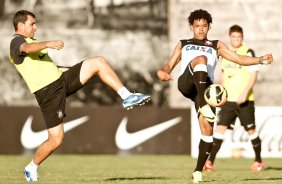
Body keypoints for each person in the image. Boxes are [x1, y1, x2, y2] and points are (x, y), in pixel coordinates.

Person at [10, 10, 150, 182]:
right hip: (48, 93)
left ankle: (126, 95)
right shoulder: (17, 42)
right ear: (21, 25)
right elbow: (25, 48)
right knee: (56, 140)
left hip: (60, 79)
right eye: (32, 24)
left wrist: (77, 71)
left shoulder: (33, 41)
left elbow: (47, 67)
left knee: (98, 63)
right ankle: (31, 167)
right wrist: (48, 43)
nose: (35, 27)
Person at [156, 9, 272, 183]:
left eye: (204, 26)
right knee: (200, 59)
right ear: (191, 27)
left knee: (208, 131)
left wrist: (260, 59)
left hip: (206, 90)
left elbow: (239, 59)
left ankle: (197, 172)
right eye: (197, 26)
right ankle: (203, 103)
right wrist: (162, 72)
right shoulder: (184, 43)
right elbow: (169, 65)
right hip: (187, 83)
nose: (201, 29)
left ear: (209, 26)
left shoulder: (216, 45)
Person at [204, 25, 264, 173]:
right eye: (234, 37)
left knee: (251, 130)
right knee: (219, 130)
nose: (236, 39)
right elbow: (224, 77)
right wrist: (218, 94)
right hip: (228, 100)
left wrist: (245, 93)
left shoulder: (248, 52)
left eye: (239, 37)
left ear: (242, 38)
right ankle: (210, 162)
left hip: (245, 100)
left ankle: (258, 161)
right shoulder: (226, 54)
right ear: (230, 37)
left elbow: (253, 76)